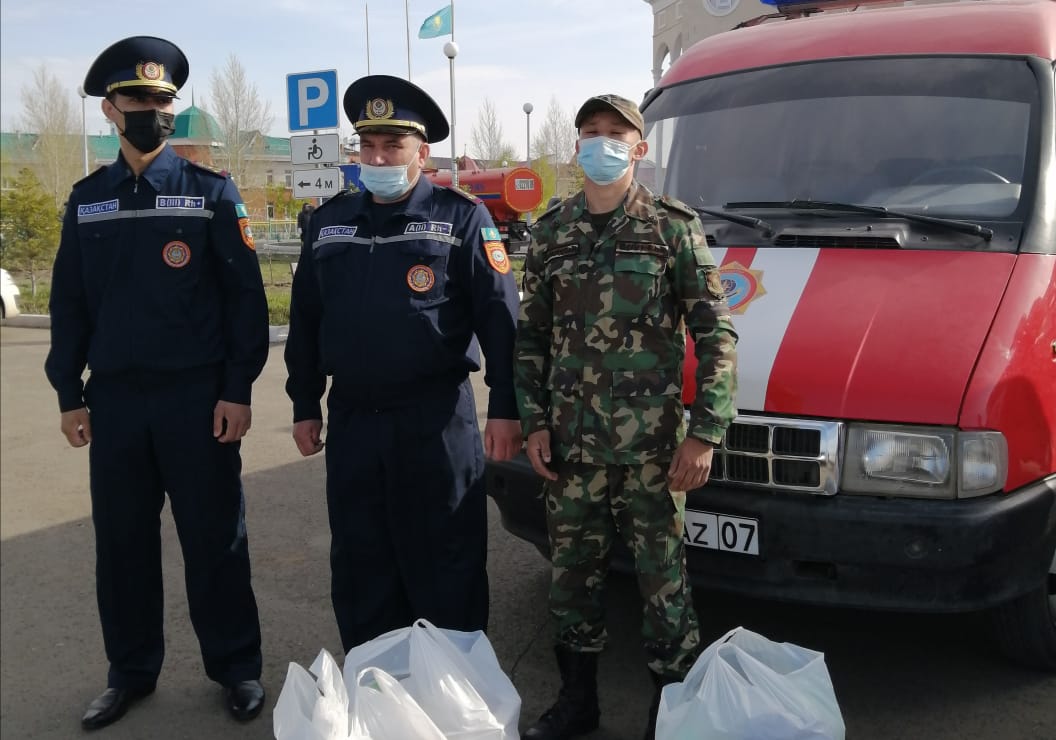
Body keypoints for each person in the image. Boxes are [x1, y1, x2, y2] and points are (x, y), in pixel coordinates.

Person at [44, 36, 269, 730]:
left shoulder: (210, 192)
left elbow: (245, 301)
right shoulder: (88, 200)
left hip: (197, 400)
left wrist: (238, 388)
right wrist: (69, 394)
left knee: (215, 541)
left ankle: (236, 668)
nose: (154, 110)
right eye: (139, 98)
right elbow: (69, 304)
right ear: (110, 109)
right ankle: (130, 673)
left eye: (164, 99)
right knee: (122, 547)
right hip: (115, 402)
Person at [513, 94, 738, 740]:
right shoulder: (551, 232)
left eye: (617, 133)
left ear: (639, 149)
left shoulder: (672, 228)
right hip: (571, 452)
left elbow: (717, 335)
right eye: (592, 132)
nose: (603, 142)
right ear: (576, 145)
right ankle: (577, 703)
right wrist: (534, 423)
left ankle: (671, 716)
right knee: (571, 585)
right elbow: (531, 339)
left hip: (653, 456)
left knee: (664, 590)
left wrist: (705, 433)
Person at [284, 74, 523, 653]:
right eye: (367, 145)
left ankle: (453, 685)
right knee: (362, 560)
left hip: (434, 421)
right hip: (354, 419)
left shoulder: (461, 218)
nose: (377, 158)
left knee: (446, 558)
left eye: (392, 146)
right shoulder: (329, 221)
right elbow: (306, 319)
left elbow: (501, 321)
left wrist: (507, 407)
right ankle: (374, 681)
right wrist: (304, 402)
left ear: (422, 152)